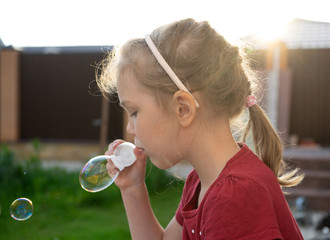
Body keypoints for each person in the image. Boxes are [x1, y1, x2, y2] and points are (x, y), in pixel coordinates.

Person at [97, 18, 304, 240]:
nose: (130, 128)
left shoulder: (234, 197)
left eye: (135, 112)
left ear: (183, 109)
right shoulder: (200, 182)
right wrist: (132, 189)